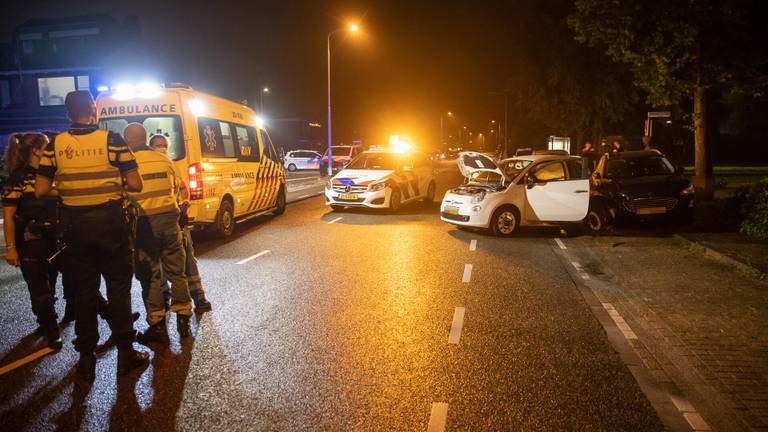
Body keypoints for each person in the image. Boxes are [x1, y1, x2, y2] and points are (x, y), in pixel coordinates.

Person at [35, 90, 149, 380]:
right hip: (110, 225)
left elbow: (40, 190)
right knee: (118, 289)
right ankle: (126, 353)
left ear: (67, 113)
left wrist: (69, 190)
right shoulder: (112, 140)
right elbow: (135, 185)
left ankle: (86, 359)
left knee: (85, 293)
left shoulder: (55, 145)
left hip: (75, 227)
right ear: (94, 110)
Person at [122, 124, 193, 344]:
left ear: (128, 141)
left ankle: (158, 326)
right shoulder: (166, 161)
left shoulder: (128, 164)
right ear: (145, 138)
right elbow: (177, 189)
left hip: (145, 224)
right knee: (177, 272)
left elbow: (124, 196)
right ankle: (183, 319)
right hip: (170, 221)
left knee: (151, 275)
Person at [2, 133, 63, 349]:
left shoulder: (51, 175)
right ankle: (51, 331)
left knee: (52, 286)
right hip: (30, 240)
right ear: (37, 151)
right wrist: (10, 249)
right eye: (46, 147)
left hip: (54, 239)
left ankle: (46, 321)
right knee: (40, 291)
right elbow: (8, 216)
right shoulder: (18, 178)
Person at [148, 134, 212, 313]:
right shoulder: (152, 166)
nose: (161, 148)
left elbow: (183, 188)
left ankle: (199, 298)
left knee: (187, 260)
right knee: (161, 264)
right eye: (157, 145)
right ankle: (166, 299)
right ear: (150, 147)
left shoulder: (171, 165)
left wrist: (184, 202)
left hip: (175, 220)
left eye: (164, 145)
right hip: (160, 222)